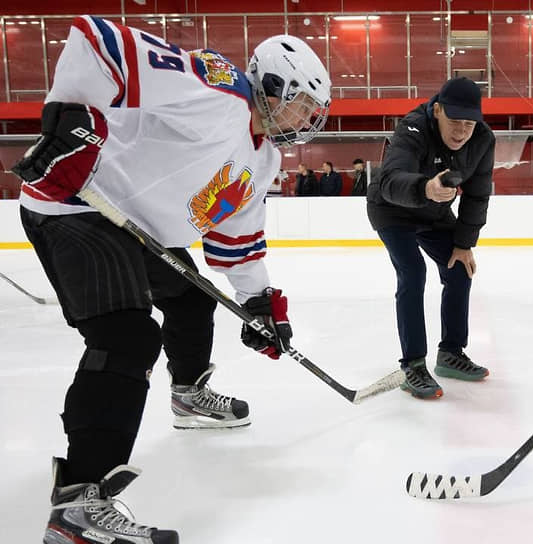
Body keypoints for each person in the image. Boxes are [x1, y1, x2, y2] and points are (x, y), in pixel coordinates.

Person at [12, 16, 330, 542]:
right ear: (273, 88)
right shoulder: (216, 90)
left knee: (190, 300)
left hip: (136, 227)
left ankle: (186, 394)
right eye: (302, 104)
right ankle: (78, 505)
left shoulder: (265, 157)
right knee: (126, 337)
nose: (308, 118)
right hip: (77, 206)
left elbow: (235, 240)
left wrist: (259, 304)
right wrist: (70, 118)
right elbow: (100, 41)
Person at [366, 76, 494, 399]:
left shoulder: (482, 140)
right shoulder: (412, 129)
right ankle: (413, 365)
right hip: (392, 210)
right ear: (437, 110)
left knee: (459, 266)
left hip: (434, 213)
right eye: (455, 121)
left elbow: (477, 196)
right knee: (413, 271)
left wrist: (464, 244)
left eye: (469, 123)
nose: (462, 131)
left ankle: (450, 353)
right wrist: (427, 188)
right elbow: (391, 179)